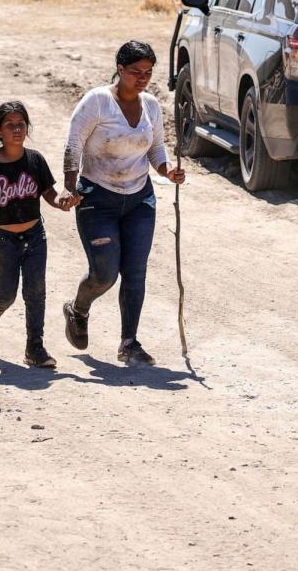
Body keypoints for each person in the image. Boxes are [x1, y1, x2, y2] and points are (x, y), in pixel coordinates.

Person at [58, 40, 186, 365]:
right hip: (97, 198)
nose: (142, 78)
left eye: (147, 73)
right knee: (104, 273)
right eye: (135, 72)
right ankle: (78, 309)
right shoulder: (97, 103)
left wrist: (168, 170)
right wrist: (70, 188)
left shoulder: (152, 106)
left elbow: (156, 148)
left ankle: (129, 342)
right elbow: (73, 145)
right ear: (119, 69)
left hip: (139, 201)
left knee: (135, 273)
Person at [0, 101, 62, 369]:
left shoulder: (35, 160)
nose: (17, 129)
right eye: (10, 125)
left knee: (36, 292)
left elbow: (49, 193)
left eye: (21, 124)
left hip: (35, 236)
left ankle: (35, 348)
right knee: (5, 295)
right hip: (4, 241)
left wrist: (62, 200)